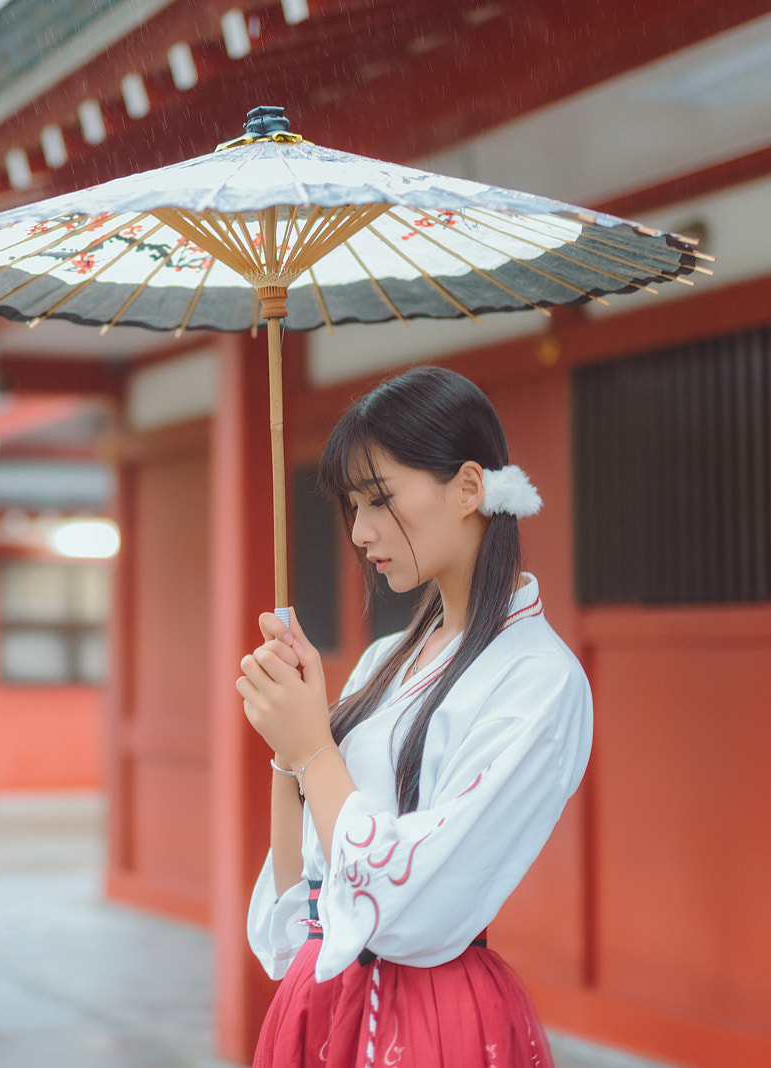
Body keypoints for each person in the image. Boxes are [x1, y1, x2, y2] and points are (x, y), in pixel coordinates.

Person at [237, 366, 592, 1068]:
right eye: (351, 507)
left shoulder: (541, 681)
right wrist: (288, 748)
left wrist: (315, 751)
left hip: (432, 1019)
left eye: (379, 500)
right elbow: (302, 906)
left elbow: (416, 902)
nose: (361, 531)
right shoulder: (381, 663)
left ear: (467, 487)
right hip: (321, 997)